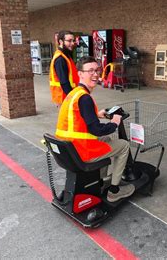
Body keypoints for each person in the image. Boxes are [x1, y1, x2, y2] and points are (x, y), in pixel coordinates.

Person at [55, 56, 135, 202]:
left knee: (107, 140)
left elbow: (75, 117)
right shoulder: (85, 98)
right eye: (90, 70)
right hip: (81, 151)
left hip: (69, 149)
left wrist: (97, 114)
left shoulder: (74, 93)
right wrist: (115, 122)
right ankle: (114, 191)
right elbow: (96, 130)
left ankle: (99, 182)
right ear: (80, 74)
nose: (95, 74)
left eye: (97, 70)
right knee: (123, 146)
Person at [49, 30, 80, 106]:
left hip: (67, 96)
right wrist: (72, 98)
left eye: (73, 41)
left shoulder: (66, 55)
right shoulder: (60, 59)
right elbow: (64, 82)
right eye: (69, 41)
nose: (72, 43)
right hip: (64, 97)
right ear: (61, 41)